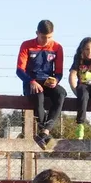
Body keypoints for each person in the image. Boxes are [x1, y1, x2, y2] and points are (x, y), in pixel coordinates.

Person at [16, 19, 66, 150]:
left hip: (47, 82)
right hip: (31, 82)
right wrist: (31, 81)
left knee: (61, 93)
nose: (46, 40)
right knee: (39, 95)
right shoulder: (26, 45)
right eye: (43, 37)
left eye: (49, 37)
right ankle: (44, 132)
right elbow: (19, 70)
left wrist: (56, 80)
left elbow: (59, 72)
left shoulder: (57, 47)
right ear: (37, 33)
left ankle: (44, 133)